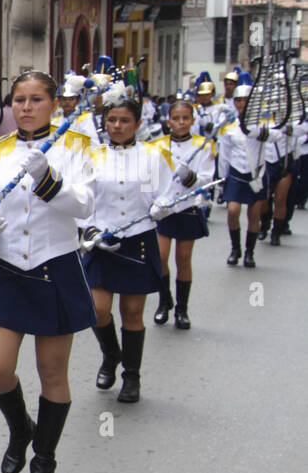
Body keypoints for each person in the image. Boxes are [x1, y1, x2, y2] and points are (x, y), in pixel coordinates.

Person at [0, 70, 96, 473]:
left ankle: (44, 459)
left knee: (52, 373)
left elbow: (84, 204)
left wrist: (48, 179)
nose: (25, 107)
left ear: (54, 103)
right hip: (9, 270)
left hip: (55, 267)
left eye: (36, 99)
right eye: (19, 99)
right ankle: (21, 427)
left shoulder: (75, 146)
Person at [79, 92, 174, 403]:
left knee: (132, 313)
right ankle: (111, 354)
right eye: (111, 120)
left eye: (124, 121)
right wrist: (91, 227)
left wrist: (162, 205)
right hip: (101, 241)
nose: (117, 126)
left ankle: (131, 376)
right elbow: (84, 200)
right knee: (97, 309)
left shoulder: (150, 156)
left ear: (137, 123)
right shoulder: (93, 157)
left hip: (137, 240)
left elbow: (162, 194)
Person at [152, 98, 214, 329]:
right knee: (160, 256)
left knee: (184, 258)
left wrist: (192, 178)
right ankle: (164, 300)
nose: (180, 122)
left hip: (188, 205)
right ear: (168, 121)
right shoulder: (158, 145)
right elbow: (151, 178)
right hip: (165, 207)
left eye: (185, 118)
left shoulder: (203, 145)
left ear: (192, 120)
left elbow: (208, 177)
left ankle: (182, 309)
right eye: (176, 118)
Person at [217, 80, 283, 269]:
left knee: (254, 215)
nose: (241, 104)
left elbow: (277, 135)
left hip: (256, 174)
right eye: (238, 100)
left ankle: (249, 253)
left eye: (246, 100)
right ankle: (235, 249)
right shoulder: (229, 126)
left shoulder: (262, 124)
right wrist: (222, 180)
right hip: (237, 173)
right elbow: (224, 155)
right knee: (233, 211)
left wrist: (263, 133)